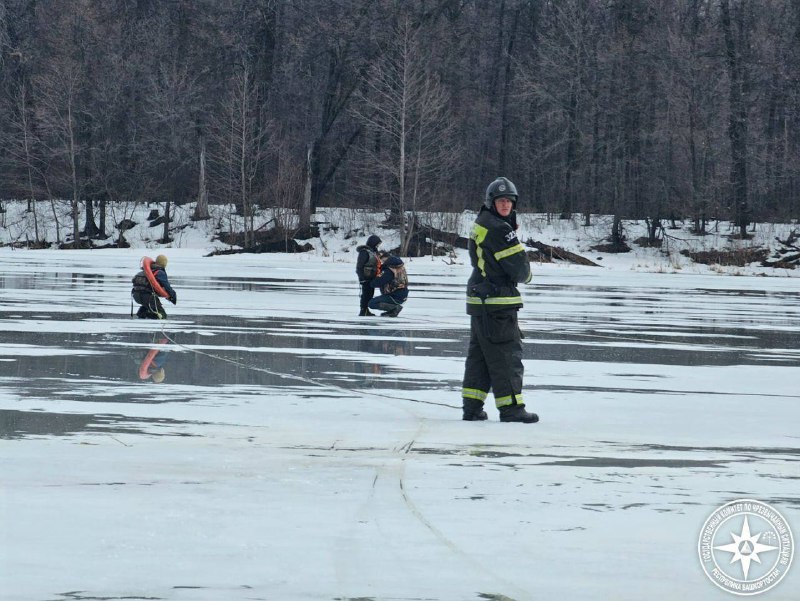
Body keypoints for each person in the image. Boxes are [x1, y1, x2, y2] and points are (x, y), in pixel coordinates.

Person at [461, 177, 538, 423]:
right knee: (506, 355)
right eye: (501, 200)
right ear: (491, 202)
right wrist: (527, 273)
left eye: (509, 201)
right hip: (497, 302)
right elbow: (521, 271)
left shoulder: (481, 223)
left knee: (480, 357)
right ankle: (511, 408)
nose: (505, 205)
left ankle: (472, 407)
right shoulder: (500, 229)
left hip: (480, 300)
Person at [131, 254, 177, 319]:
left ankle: (142, 315)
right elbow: (167, 286)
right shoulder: (160, 272)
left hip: (136, 296)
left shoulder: (144, 272)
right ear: (164, 264)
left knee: (149, 306)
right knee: (162, 314)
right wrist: (173, 295)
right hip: (148, 297)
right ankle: (151, 318)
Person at [355, 235, 382, 316]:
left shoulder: (374, 252)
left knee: (370, 294)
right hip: (365, 277)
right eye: (377, 244)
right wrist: (361, 278)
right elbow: (359, 266)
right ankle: (363, 310)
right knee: (366, 294)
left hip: (372, 277)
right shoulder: (364, 252)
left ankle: (366, 310)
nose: (378, 246)